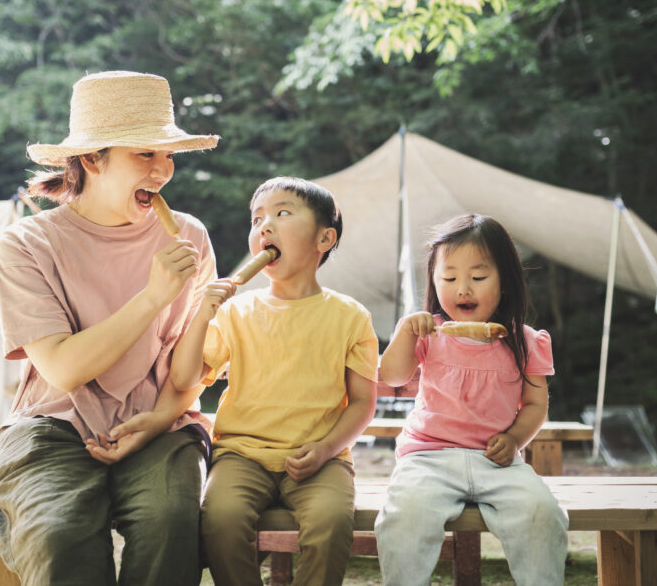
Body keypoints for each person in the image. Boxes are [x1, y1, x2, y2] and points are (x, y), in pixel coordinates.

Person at [0, 70, 219, 586]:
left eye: (168, 156)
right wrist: (154, 294)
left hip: (160, 422)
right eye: (145, 155)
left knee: (171, 523)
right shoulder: (28, 244)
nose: (162, 171)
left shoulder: (190, 237)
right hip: (53, 424)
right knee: (60, 534)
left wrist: (158, 421)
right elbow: (64, 369)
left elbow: (195, 367)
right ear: (92, 159)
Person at [170, 176, 378, 586]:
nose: (264, 226)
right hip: (241, 454)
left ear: (324, 239)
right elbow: (183, 377)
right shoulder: (236, 312)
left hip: (321, 457)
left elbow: (361, 402)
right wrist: (202, 314)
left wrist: (325, 449)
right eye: (257, 218)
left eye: (282, 213)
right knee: (221, 518)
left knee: (332, 521)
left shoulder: (350, 316)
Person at [374, 213, 568, 586]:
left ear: (506, 282)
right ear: (434, 281)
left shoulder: (526, 341)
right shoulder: (429, 332)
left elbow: (534, 405)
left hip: (497, 462)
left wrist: (514, 439)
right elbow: (394, 376)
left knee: (542, 513)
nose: (463, 288)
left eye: (478, 277)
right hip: (427, 459)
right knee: (404, 516)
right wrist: (403, 332)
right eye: (449, 278)